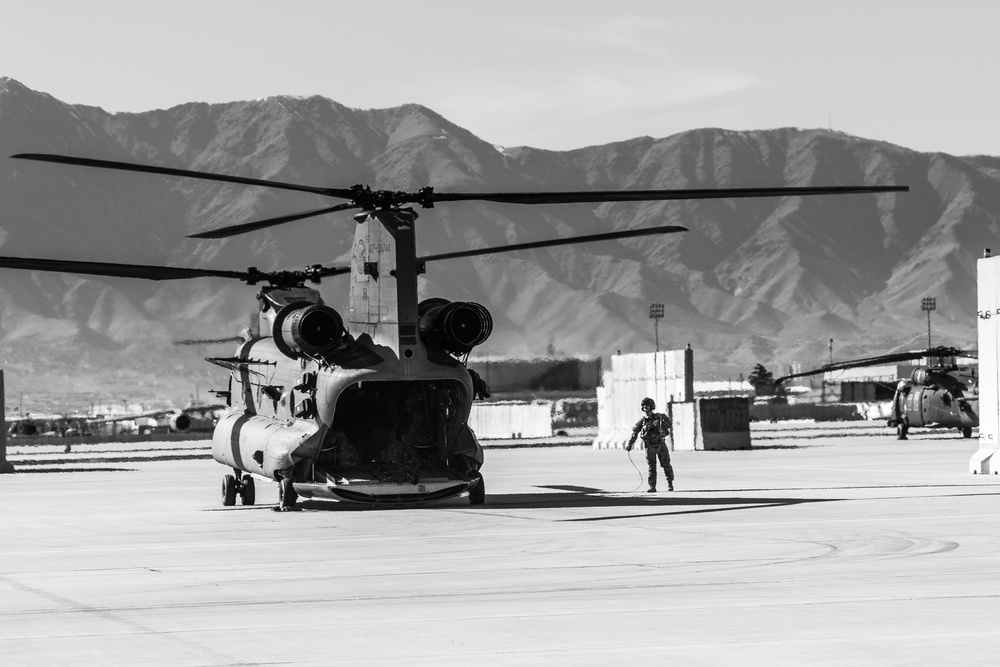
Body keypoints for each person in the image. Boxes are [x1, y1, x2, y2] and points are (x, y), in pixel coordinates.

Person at [626, 397, 674, 492]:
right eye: (643, 406)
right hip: (649, 446)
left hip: (660, 444)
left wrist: (662, 424)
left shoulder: (660, 417)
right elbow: (635, 432)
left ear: (651, 407)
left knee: (666, 465)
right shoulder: (642, 421)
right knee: (651, 467)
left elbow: (669, 424)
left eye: (647, 405)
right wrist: (630, 444)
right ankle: (652, 486)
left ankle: (670, 483)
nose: (645, 407)